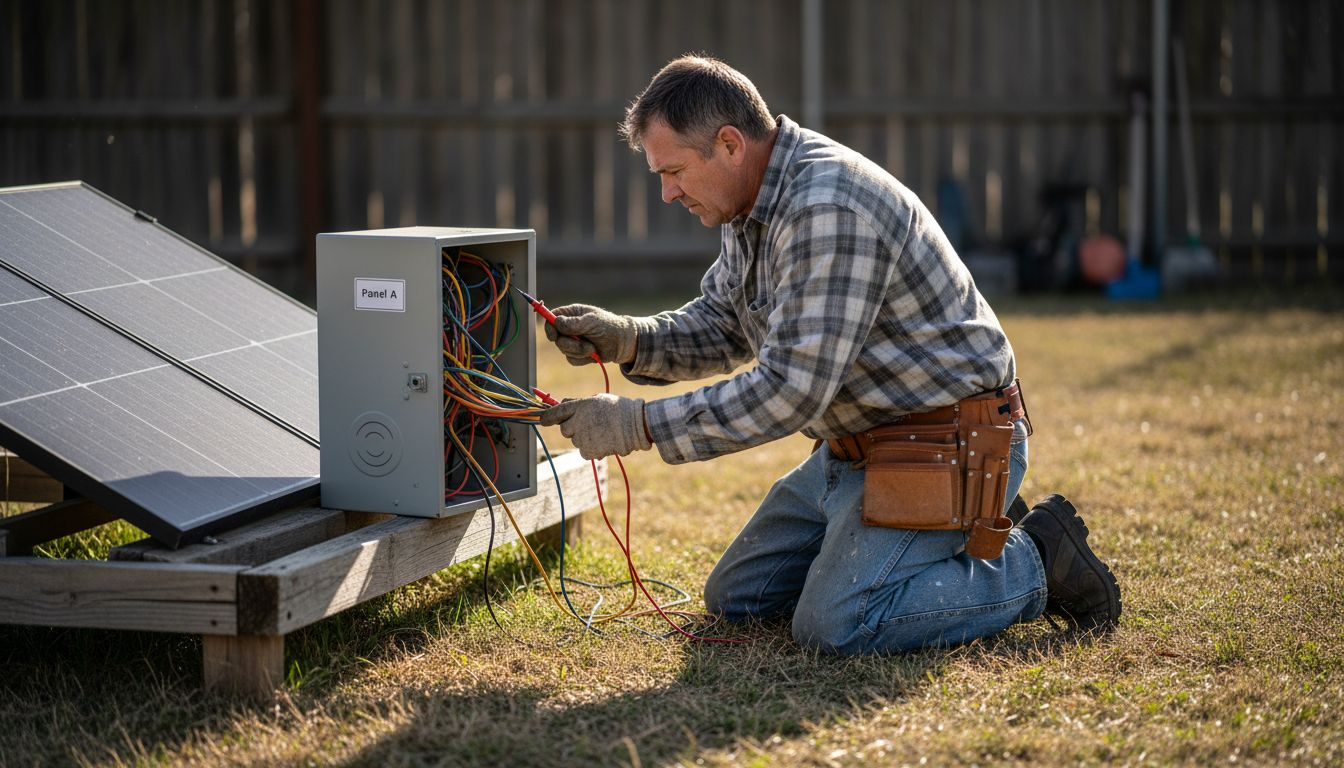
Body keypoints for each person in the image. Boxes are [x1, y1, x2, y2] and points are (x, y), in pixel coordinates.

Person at [539, 55, 1120, 653]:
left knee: (834, 627)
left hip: (944, 444)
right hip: (856, 452)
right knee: (738, 598)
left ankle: (1036, 559)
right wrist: (630, 338)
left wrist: (635, 425)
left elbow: (788, 391)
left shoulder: (828, 208)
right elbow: (723, 322)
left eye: (675, 171)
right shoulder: (751, 203)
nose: (666, 193)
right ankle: (929, 542)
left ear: (730, 144)